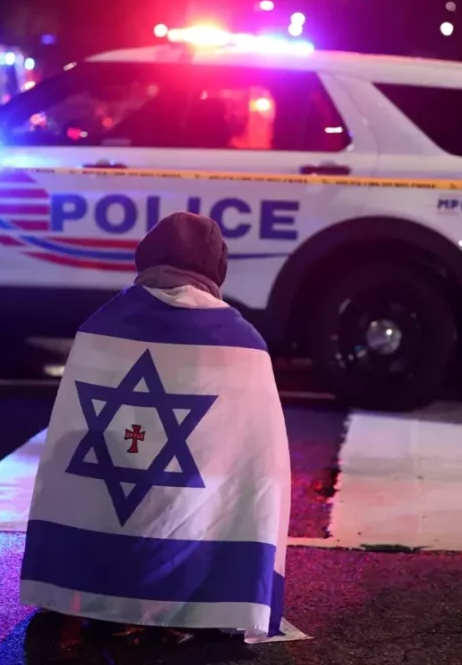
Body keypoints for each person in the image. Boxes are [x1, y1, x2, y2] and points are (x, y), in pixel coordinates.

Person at [20, 212, 292, 647]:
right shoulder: (241, 343)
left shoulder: (100, 327)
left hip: (95, 562)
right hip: (189, 550)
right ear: (215, 267)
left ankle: (89, 591)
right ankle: (196, 604)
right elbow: (257, 471)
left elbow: (67, 456)